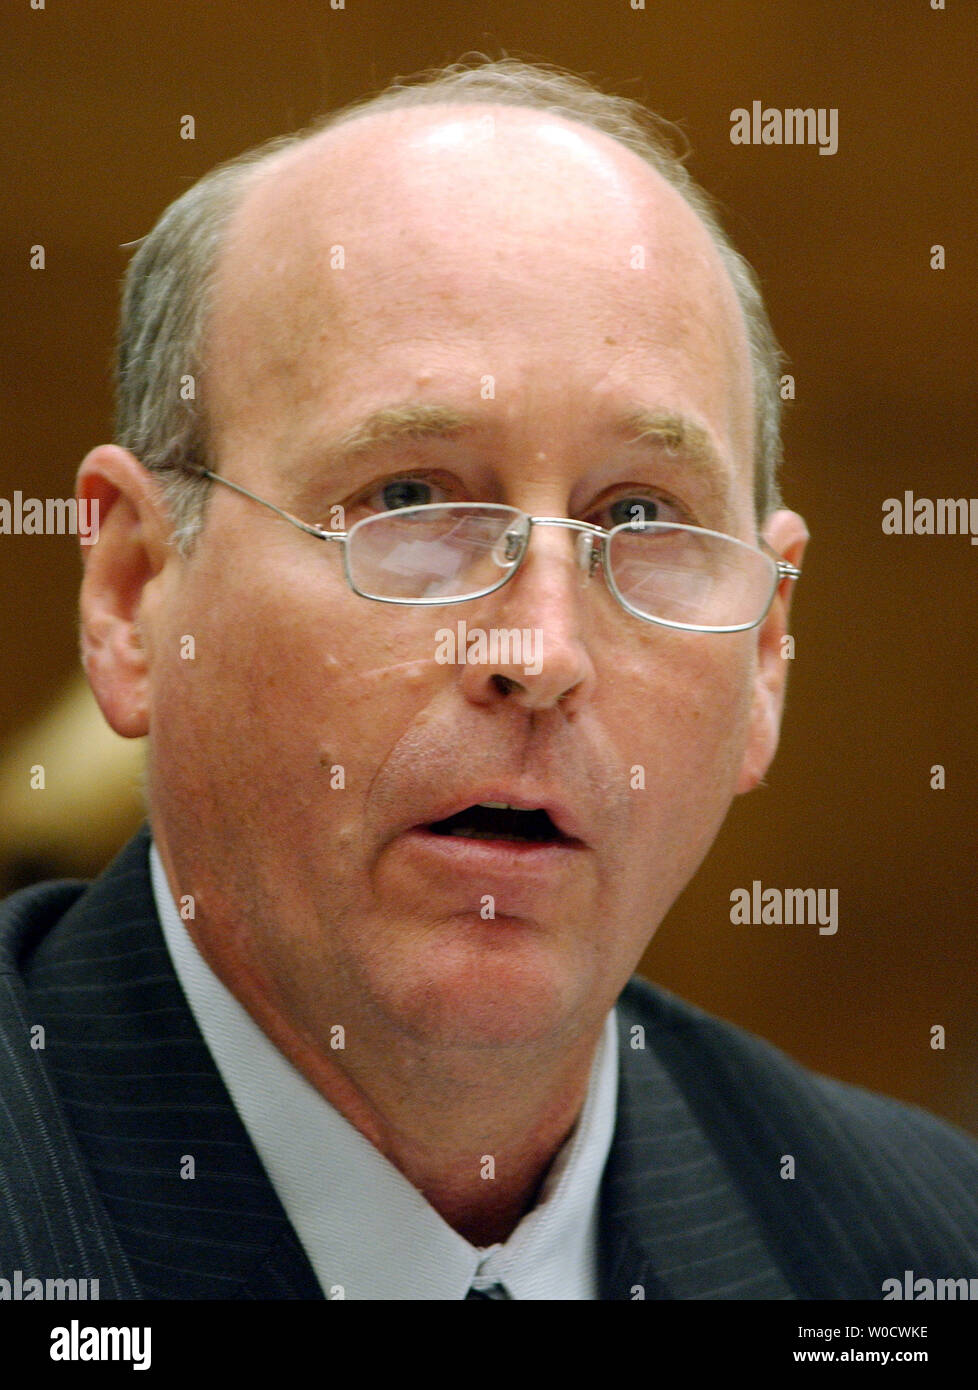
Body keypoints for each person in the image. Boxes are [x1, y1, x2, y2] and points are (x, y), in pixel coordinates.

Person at [2, 58, 976, 1302]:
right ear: (135, 593)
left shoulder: (921, 1253)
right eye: (409, 500)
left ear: (767, 652)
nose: (542, 652)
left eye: (640, 515)